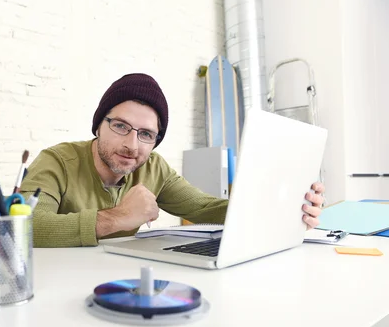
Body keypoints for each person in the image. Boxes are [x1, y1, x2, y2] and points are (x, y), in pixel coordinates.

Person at [19, 73, 325, 248]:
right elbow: (25, 228)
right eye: (120, 126)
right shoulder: (56, 161)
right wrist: (117, 217)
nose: (131, 144)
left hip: (120, 283)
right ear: (98, 124)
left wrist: (276, 202)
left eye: (146, 135)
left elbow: (205, 208)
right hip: (55, 293)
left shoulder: (153, 168)